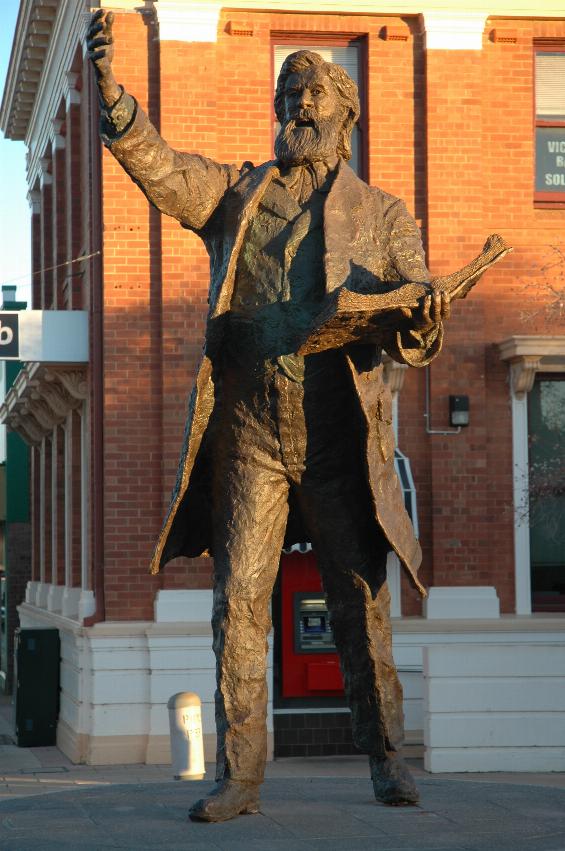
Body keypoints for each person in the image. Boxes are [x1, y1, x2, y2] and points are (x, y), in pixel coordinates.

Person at [87, 9, 451, 822]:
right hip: (249, 429)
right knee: (239, 601)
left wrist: (422, 311)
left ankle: (387, 758)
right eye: (287, 93)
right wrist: (115, 101)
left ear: (343, 112)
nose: (296, 106)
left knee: (359, 600)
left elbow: (414, 312)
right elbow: (163, 170)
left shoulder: (383, 213)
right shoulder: (235, 194)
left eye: (311, 93)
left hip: (335, 437)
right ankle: (240, 773)